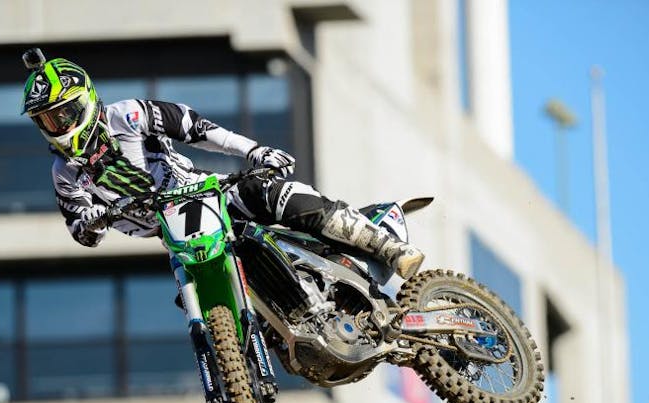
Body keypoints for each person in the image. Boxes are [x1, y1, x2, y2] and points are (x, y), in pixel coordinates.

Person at [21, 49, 424, 278]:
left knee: (272, 193)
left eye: (62, 114)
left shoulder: (128, 115)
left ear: (85, 100)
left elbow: (196, 128)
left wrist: (255, 151)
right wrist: (94, 221)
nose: (57, 126)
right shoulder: (65, 173)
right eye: (47, 121)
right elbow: (82, 233)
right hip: (176, 239)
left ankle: (389, 247)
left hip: (204, 195)